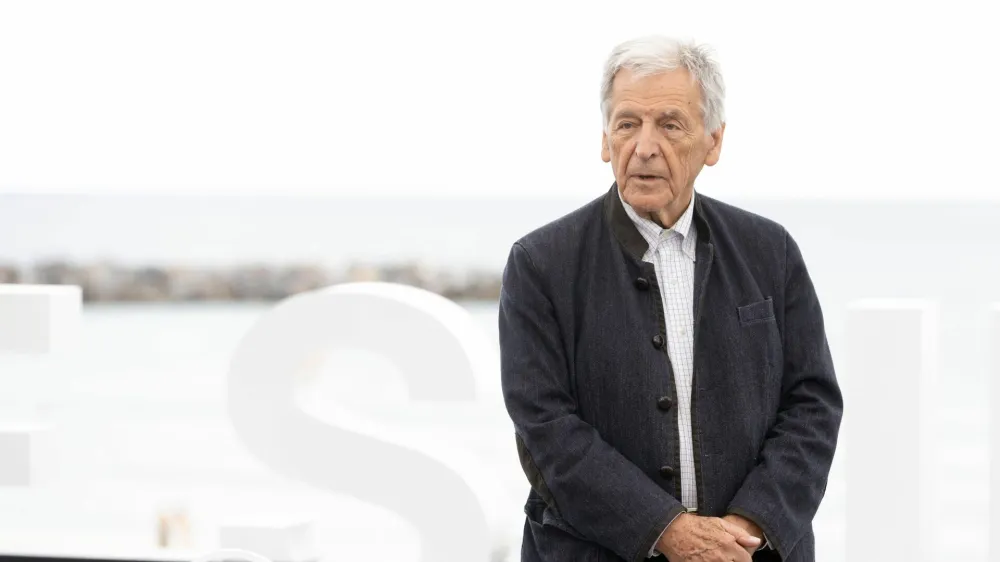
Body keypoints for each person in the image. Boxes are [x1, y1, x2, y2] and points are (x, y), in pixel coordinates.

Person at [498, 35, 843, 562]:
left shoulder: (770, 251)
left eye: (670, 124)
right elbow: (547, 431)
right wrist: (668, 531)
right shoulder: (540, 263)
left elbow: (812, 405)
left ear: (713, 142)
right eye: (627, 123)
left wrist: (746, 526)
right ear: (605, 139)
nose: (644, 146)